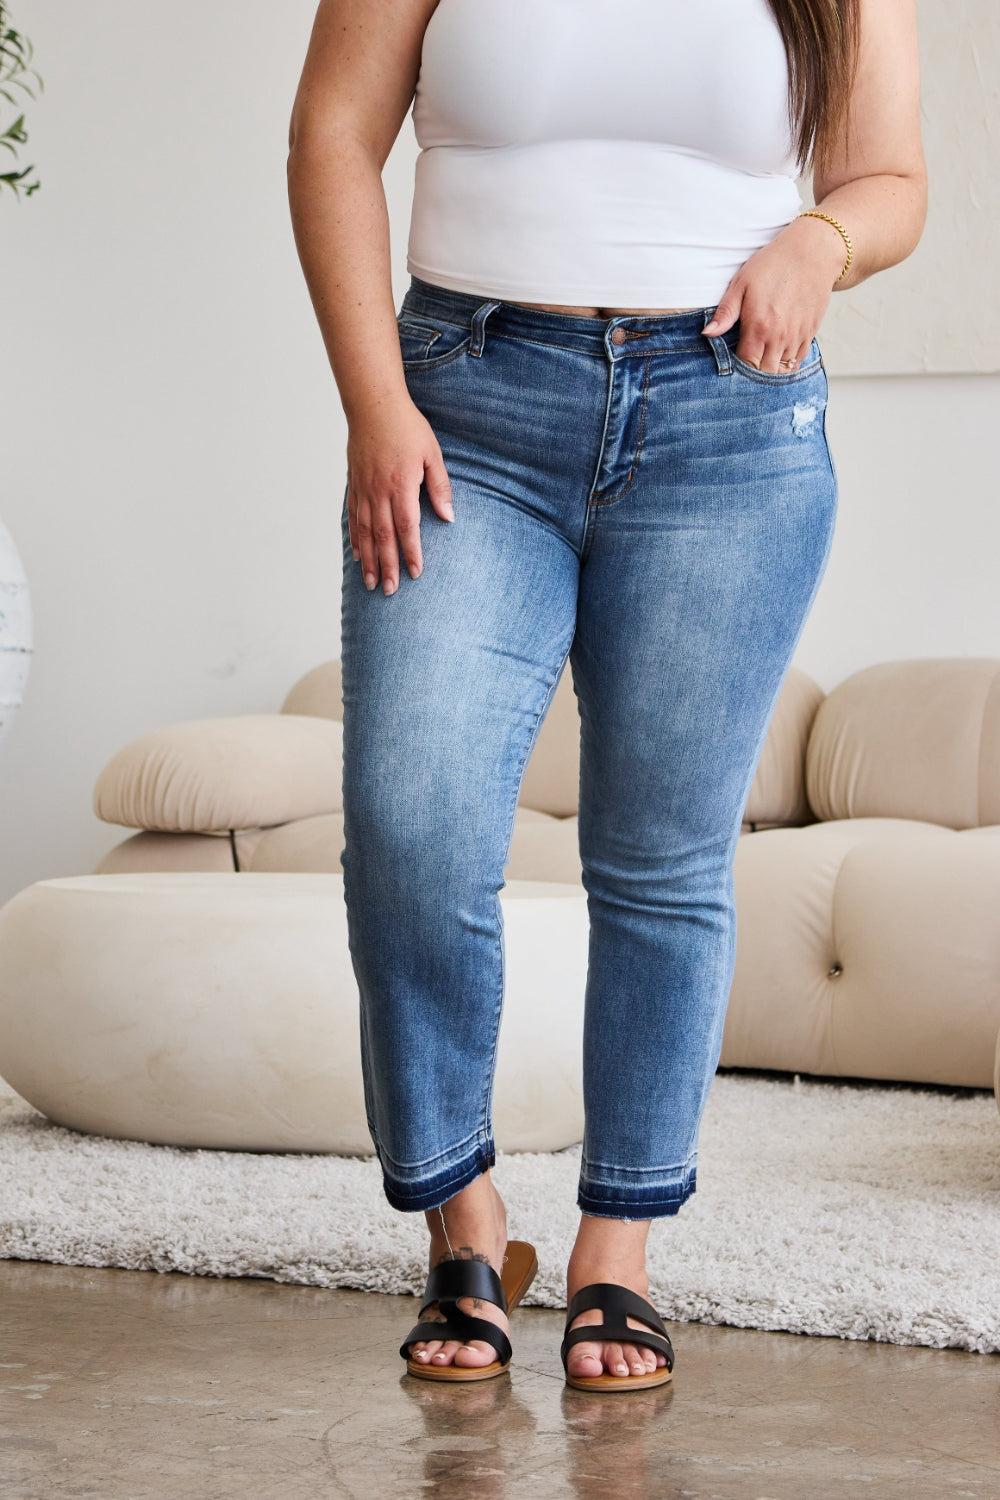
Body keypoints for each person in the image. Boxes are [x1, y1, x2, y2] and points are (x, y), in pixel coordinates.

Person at [287, 0, 926, 1391]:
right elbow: (334, 134)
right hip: (467, 408)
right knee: (410, 826)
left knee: (661, 861)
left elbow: (892, 181)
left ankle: (616, 1254)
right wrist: (373, 403)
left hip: (729, 419)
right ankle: (465, 1222)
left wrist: (820, 241)